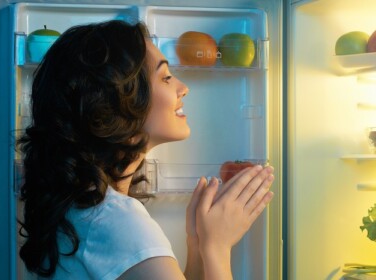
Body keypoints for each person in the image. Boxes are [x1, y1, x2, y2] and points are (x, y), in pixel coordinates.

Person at [17, 19, 274, 280]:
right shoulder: (117, 222)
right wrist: (217, 247)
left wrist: (196, 245)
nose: (183, 88)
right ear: (117, 103)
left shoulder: (85, 208)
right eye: (165, 77)